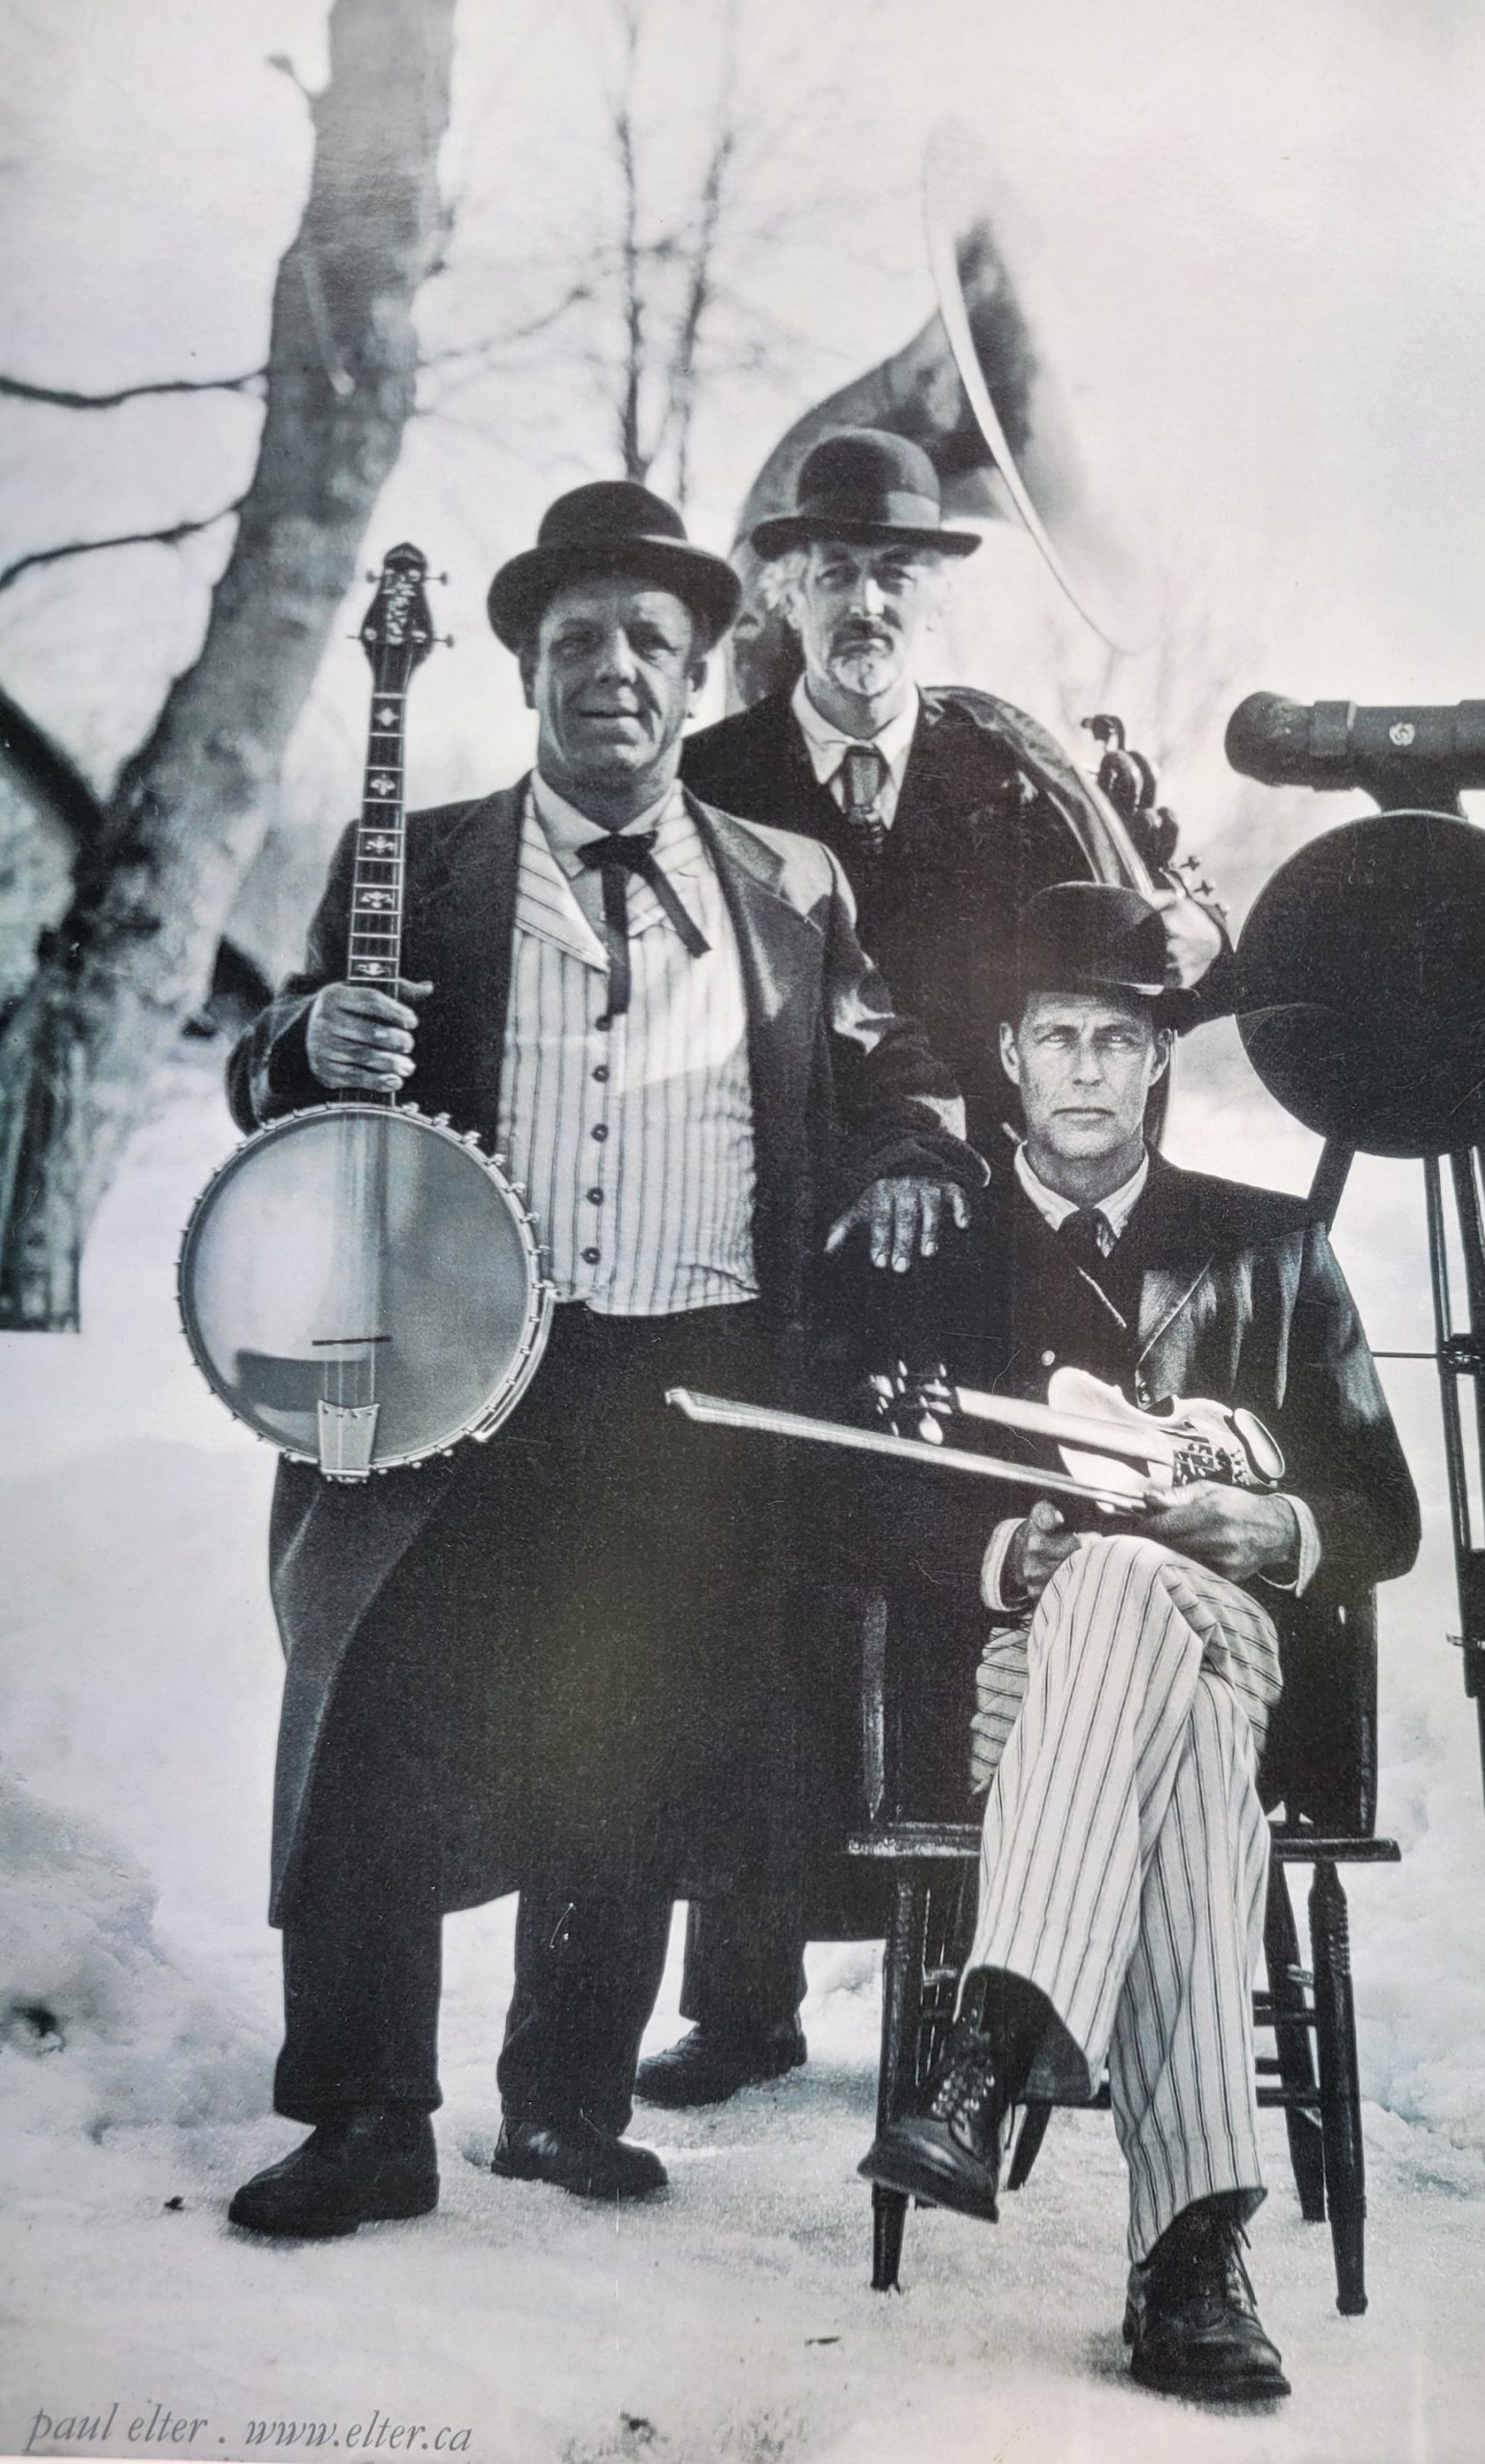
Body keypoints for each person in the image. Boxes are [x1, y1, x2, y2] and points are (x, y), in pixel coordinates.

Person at [222, 480, 982, 2239]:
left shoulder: (795, 886)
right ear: (528, 675)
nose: (615, 670)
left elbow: (895, 1084)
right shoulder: (427, 860)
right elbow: (277, 1064)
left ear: (707, 670)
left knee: (626, 1738)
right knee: (371, 1728)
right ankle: (360, 2120)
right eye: (578, 643)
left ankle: (562, 2104)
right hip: (452, 1376)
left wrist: (914, 1169)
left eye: (651, 640)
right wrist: (305, 1039)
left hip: (696, 1390)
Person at [642, 424, 1240, 2109]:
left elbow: (1147, 973)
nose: (864, 604)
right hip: (772, 1245)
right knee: (763, 1590)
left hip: (994, 1260)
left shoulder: (1011, 762)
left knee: (998, 1578)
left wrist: (1194, 931)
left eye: (895, 573)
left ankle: (1008, 1986)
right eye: (831, 571)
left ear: (932, 596)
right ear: (778, 590)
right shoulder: (708, 776)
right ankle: (744, 1998)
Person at [855, 882, 1420, 2401]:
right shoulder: (937, 1248)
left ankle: (993, 2034)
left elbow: (1385, 1510)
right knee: (1114, 1620)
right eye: (1060, 1039)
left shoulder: (1271, 1245)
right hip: (1026, 1690)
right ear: (1011, 1057)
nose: (1091, 1070)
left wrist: (1278, 1530)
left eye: (1120, 1039)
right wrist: (995, 1548)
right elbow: (846, 1510)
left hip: (1226, 1649)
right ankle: (1193, 2256)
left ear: (1159, 1062)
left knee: (1122, 1580)